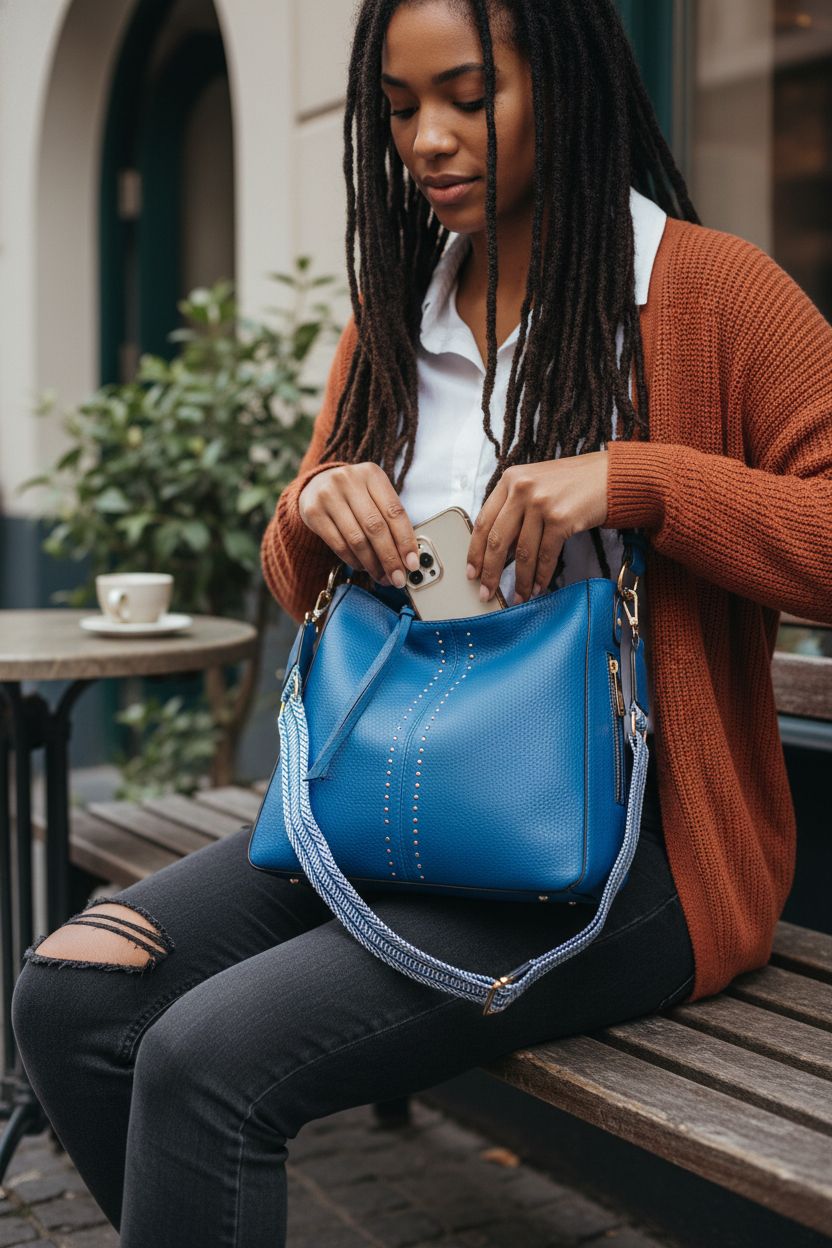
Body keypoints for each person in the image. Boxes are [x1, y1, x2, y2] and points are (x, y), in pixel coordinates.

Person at [11, 1, 831, 1245]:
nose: (428, 140)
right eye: (398, 112)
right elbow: (306, 582)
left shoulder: (707, 295)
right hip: (395, 797)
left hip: (629, 857)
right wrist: (313, 508)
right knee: (72, 991)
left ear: (563, 88)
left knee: (204, 1059)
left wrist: (638, 481)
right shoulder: (400, 314)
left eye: (467, 96)